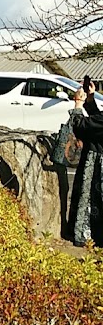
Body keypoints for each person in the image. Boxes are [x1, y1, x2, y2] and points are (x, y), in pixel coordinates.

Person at [68, 81, 103, 247]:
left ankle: (86, 236)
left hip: (97, 161)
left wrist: (78, 104)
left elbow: (81, 127)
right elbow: (98, 119)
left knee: (90, 197)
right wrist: (90, 99)